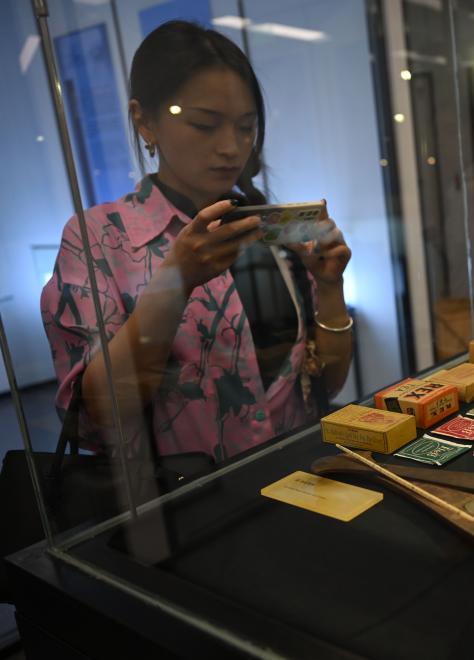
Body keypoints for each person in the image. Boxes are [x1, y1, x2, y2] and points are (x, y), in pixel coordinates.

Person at [40, 21, 352, 463]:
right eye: (205, 125)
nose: (231, 147)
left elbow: (323, 386)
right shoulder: (98, 239)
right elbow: (98, 416)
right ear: (145, 122)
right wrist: (176, 281)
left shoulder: (267, 229)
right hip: (185, 498)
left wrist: (331, 288)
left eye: (245, 127)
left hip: (297, 477)